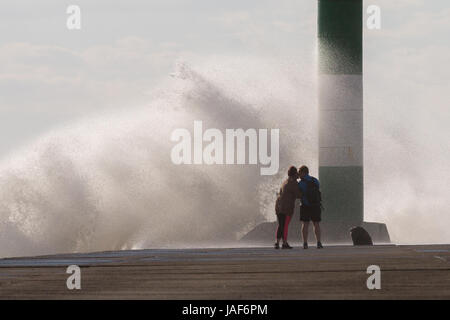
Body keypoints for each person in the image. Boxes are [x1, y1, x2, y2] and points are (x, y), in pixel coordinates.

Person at [275, 166, 302, 249]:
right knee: (285, 225)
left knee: (281, 225)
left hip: (278, 206)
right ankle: (285, 243)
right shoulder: (293, 183)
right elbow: (299, 195)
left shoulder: (285, 182)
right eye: (297, 173)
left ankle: (277, 242)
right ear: (294, 174)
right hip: (286, 208)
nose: (298, 174)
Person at [298, 165, 323, 249]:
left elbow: (298, 194)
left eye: (299, 173)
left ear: (303, 172)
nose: (298, 175)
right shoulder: (315, 180)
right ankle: (318, 242)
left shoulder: (300, 183)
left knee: (305, 224)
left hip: (305, 206)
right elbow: (318, 190)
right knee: (316, 224)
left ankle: (305, 243)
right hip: (315, 205)